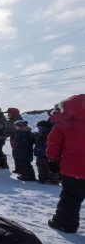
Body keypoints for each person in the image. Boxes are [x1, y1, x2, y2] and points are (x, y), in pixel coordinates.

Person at [47, 94, 85, 233]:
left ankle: (64, 223)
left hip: (74, 169)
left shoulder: (64, 124)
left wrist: (53, 160)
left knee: (70, 197)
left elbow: (54, 143)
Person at [34, 120, 59, 184]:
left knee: (49, 166)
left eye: (40, 127)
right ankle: (42, 178)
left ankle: (53, 180)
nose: (39, 129)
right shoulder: (40, 133)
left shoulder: (50, 133)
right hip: (40, 153)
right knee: (40, 166)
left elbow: (51, 143)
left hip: (47, 153)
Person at [6, 107, 23, 172]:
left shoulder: (18, 120)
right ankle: (18, 168)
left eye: (9, 113)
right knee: (15, 154)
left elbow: (17, 130)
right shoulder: (10, 120)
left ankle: (21, 169)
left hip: (19, 139)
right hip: (13, 139)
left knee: (19, 154)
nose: (8, 114)